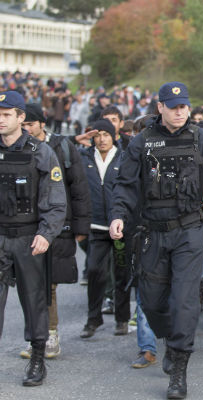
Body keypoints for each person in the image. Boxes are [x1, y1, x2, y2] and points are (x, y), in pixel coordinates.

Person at [109, 82, 203, 399]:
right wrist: (118, 215)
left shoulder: (201, 139)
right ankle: (170, 339)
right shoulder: (141, 142)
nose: (180, 111)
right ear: (160, 108)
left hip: (190, 230)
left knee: (184, 300)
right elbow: (125, 184)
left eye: (183, 106)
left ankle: (179, 368)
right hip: (152, 232)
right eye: (173, 106)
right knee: (152, 304)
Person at [0, 91, 67, 386]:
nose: (0, 120)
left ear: (20, 118)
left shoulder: (40, 151)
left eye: (6, 115)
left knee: (34, 301)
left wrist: (46, 234)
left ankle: (38, 359)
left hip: (29, 237)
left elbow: (55, 201)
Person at [20, 103, 91, 359]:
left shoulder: (62, 147)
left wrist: (81, 226)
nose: (25, 128)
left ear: (41, 124)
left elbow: (79, 187)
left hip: (57, 224)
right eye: (23, 124)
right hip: (24, 225)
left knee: (48, 283)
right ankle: (35, 335)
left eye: (30, 124)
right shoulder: (16, 147)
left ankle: (49, 334)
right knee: (29, 284)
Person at [79, 119, 131, 338]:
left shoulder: (124, 157)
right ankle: (93, 318)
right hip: (96, 225)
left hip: (119, 226)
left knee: (122, 273)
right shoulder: (84, 157)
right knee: (94, 271)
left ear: (114, 137)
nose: (102, 139)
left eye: (106, 135)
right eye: (98, 135)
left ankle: (122, 319)